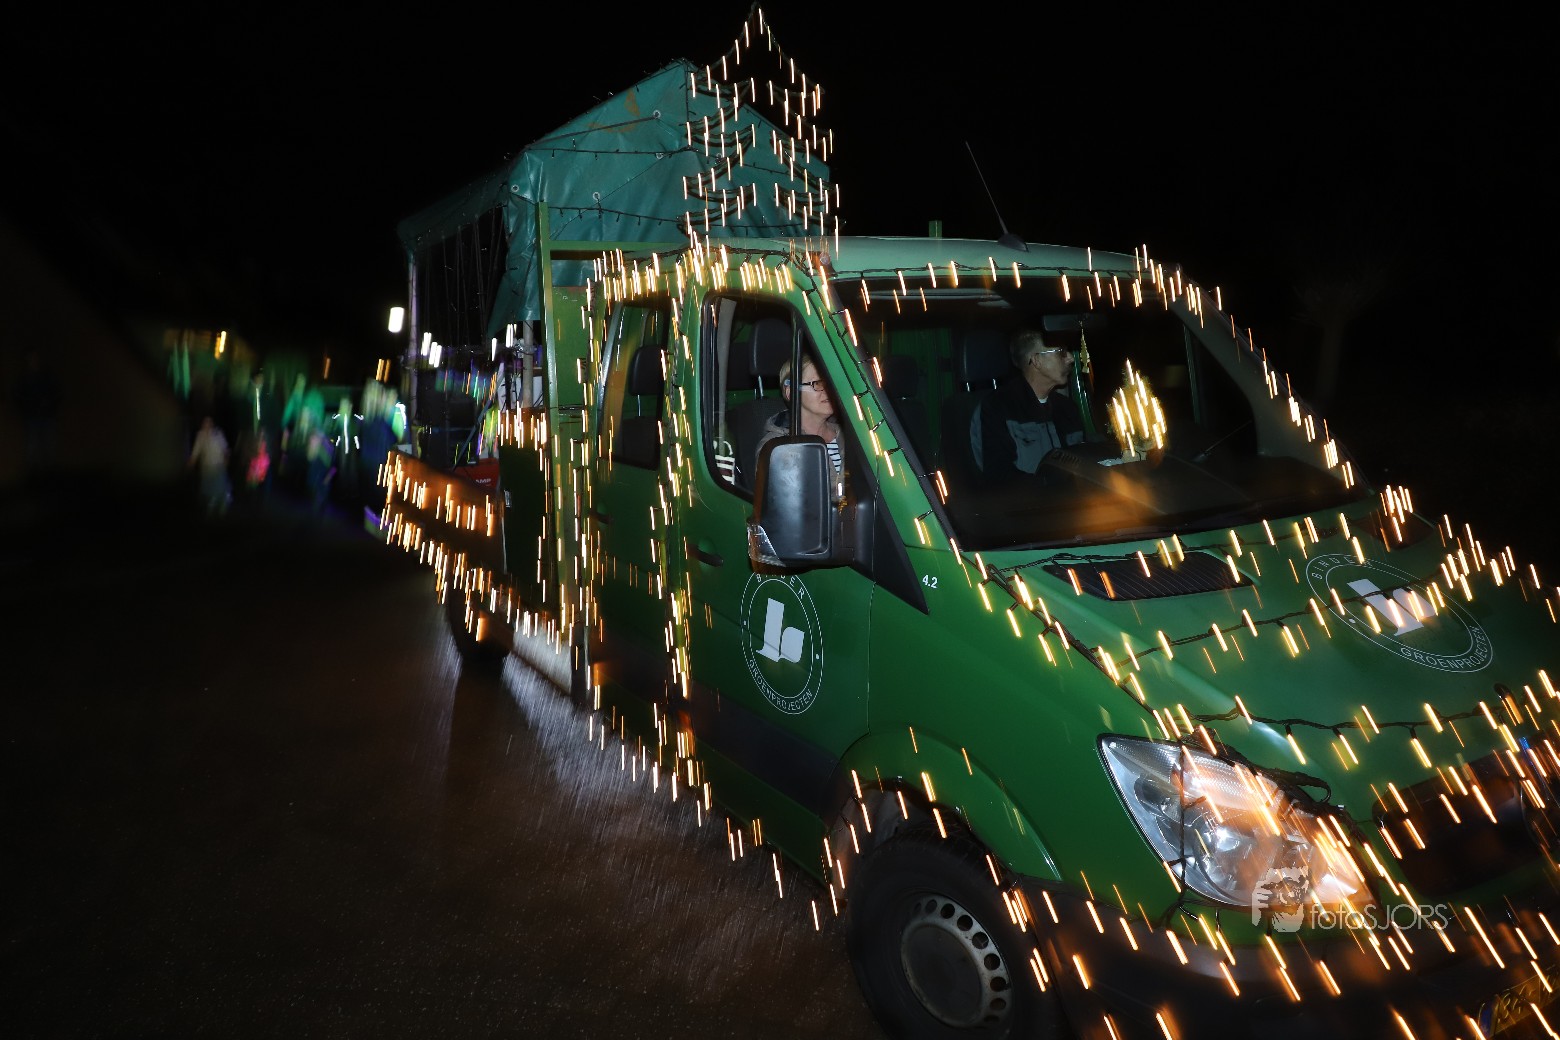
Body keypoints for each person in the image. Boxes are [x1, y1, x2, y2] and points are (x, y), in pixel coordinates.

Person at [972, 330, 1084, 482]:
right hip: (1029, 497)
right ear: (1037, 360)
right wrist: (1046, 485)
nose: (1070, 358)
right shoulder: (997, 408)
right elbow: (999, 476)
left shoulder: (1067, 408)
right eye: (1061, 352)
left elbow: (1082, 458)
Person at [756, 354, 844, 478]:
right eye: (818, 383)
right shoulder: (778, 448)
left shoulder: (852, 435)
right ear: (791, 392)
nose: (830, 390)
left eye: (832, 383)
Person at [188, 415, 232, 516]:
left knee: (221, 488)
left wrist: (227, 458)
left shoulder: (218, 434)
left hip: (218, 466)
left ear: (212, 423)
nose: (207, 424)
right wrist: (191, 462)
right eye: (205, 422)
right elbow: (196, 451)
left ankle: (222, 507)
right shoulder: (200, 436)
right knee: (209, 490)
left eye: (209, 422)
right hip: (206, 467)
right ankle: (211, 508)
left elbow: (225, 448)